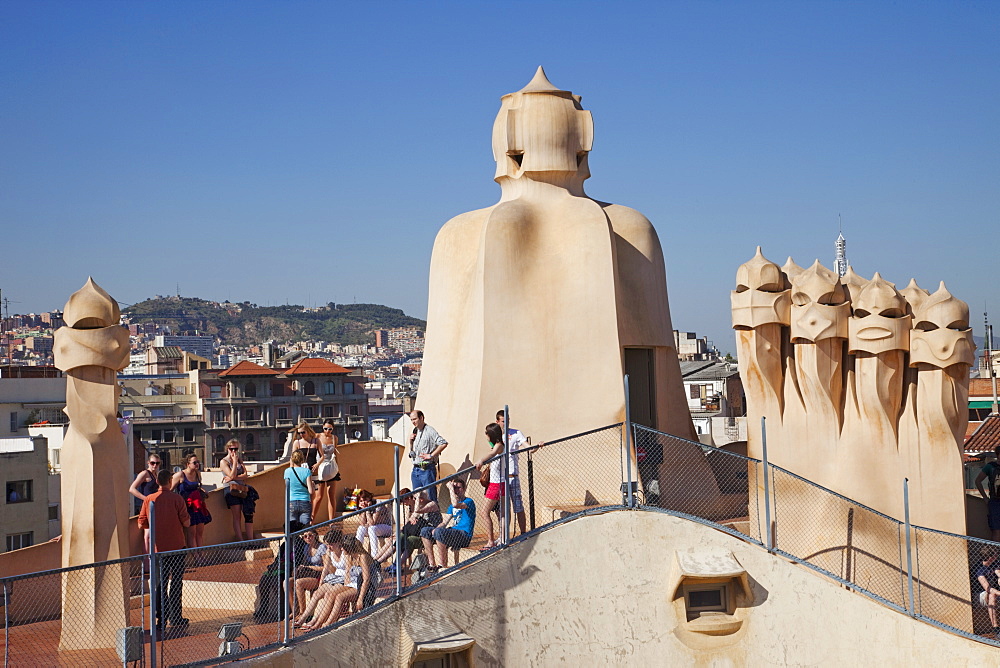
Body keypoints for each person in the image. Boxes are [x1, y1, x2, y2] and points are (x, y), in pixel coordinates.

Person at [138, 468, 191, 631]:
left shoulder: (149, 499)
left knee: (159, 584)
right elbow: (187, 522)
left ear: (157, 482)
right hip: (176, 547)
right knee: (176, 583)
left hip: (157, 549)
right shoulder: (177, 499)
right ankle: (176, 617)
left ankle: (161, 619)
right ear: (170, 482)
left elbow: (141, 522)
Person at [300, 536, 379, 630]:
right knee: (331, 594)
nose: (341, 549)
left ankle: (328, 624)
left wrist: (360, 599)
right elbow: (348, 576)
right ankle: (318, 623)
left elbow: (366, 580)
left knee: (339, 597)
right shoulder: (350, 556)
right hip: (354, 582)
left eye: (343, 547)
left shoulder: (363, 557)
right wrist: (344, 588)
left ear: (349, 548)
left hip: (365, 585)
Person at [374, 490, 442, 574]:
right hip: (419, 532)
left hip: (429, 535)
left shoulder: (432, 504)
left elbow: (417, 511)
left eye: (415, 498)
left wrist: (416, 501)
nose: (414, 500)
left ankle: (395, 565)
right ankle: (378, 561)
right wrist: (412, 519)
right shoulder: (415, 507)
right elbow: (409, 521)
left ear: (420, 499)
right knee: (400, 537)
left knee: (409, 540)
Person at [294, 529, 349, 629]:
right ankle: (303, 619)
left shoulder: (345, 552)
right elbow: (326, 568)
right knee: (316, 594)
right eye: (327, 544)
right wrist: (321, 584)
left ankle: (316, 622)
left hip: (344, 578)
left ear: (338, 543)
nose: (328, 547)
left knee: (328, 594)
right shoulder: (329, 551)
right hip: (333, 578)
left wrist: (346, 585)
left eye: (330, 544)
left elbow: (349, 571)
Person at [420, 478, 476, 572]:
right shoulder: (451, 507)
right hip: (453, 532)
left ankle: (442, 565)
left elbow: (456, 505)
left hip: (464, 535)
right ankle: (432, 564)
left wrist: (450, 489)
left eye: (458, 488)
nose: (456, 490)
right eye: (454, 488)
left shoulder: (469, 501)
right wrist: (435, 530)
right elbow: (444, 522)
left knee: (439, 532)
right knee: (425, 531)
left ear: (464, 488)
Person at [474, 423, 506, 550]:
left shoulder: (499, 446)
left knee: (484, 512)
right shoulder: (497, 445)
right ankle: (502, 537)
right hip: (499, 483)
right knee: (500, 512)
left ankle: (490, 540)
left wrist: (481, 461)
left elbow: (492, 454)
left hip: (496, 484)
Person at [497, 410, 529, 537]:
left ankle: (523, 533)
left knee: (518, 506)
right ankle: (504, 536)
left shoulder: (516, 433)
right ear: (498, 421)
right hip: (499, 477)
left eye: (508, 420)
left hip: (512, 476)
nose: (506, 423)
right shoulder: (496, 435)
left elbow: (527, 447)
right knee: (503, 510)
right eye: (503, 421)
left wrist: (536, 446)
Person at [221, 439, 259, 541]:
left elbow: (245, 475)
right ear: (227, 449)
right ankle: (240, 540)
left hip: (242, 489)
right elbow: (231, 474)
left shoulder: (240, 460)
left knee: (247, 514)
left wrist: (234, 477)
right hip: (231, 490)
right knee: (237, 516)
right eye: (231, 449)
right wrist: (233, 465)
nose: (233, 451)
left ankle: (250, 539)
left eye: (236, 449)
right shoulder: (224, 461)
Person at [171, 453, 211, 548]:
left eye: (198, 462)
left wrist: (202, 490)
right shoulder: (180, 475)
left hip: (198, 506)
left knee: (199, 533)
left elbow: (197, 487)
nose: (197, 464)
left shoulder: (197, 474)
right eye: (194, 462)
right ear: (188, 464)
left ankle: (201, 556)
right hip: (187, 507)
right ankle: (196, 557)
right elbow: (169, 489)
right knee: (191, 533)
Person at [408, 410, 448, 502]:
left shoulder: (429, 430)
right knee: (417, 498)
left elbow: (443, 443)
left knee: (430, 497)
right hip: (415, 469)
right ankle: (422, 516)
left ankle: (434, 516)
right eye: (411, 420)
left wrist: (431, 455)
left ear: (421, 418)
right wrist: (411, 442)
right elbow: (413, 451)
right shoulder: (415, 431)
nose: (413, 422)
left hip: (427, 469)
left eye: (415, 419)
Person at [129, 454, 163, 552]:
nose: (155, 465)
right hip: (148, 507)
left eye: (157, 463)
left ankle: (154, 561)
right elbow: (132, 489)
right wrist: (146, 499)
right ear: (148, 463)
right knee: (147, 535)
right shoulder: (144, 473)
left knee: (156, 535)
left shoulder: (157, 475)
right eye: (152, 463)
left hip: (157, 507)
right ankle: (147, 563)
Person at [291, 528, 327, 616]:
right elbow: (304, 563)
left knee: (299, 583)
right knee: (287, 582)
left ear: (315, 536)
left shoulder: (322, 547)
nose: (308, 538)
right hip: (310, 574)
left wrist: (310, 567)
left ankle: (302, 613)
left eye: (310, 535)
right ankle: (294, 610)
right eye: (305, 536)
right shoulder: (306, 547)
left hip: (319, 575)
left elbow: (326, 567)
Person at [311, 419, 341, 521]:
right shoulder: (317, 436)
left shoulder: (334, 438)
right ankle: (311, 521)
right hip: (320, 468)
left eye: (330, 429)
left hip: (331, 467)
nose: (327, 431)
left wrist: (337, 467)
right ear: (322, 427)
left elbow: (335, 454)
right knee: (319, 496)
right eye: (325, 428)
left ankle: (331, 522)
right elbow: (312, 451)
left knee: (331, 495)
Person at [354, 490, 393, 558]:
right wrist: (363, 510)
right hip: (373, 529)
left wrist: (367, 510)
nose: (363, 502)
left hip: (386, 528)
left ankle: (374, 556)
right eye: (361, 501)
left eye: (365, 500)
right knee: (361, 528)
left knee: (371, 528)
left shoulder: (378, 503)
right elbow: (362, 523)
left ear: (369, 498)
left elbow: (372, 523)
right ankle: (357, 552)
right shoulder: (362, 506)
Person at [284, 449, 316, 528]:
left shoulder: (287, 471)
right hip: (305, 501)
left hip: (291, 502)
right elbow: (311, 491)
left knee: (292, 528)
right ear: (302, 460)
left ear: (292, 459)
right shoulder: (307, 471)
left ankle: (293, 541)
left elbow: (287, 486)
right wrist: (313, 485)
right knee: (305, 529)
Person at [975, 446, 1000, 542]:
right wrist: (985, 498)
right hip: (995, 502)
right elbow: (978, 481)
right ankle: (995, 555)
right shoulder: (990, 466)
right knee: (996, 530)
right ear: (998, 455)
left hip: (994, 503)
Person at [975, 551, 1000, 634]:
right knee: (992, 595)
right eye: (994, 555)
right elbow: (988, 589)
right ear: (989, 557)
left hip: (996, 592)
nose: (996, 556)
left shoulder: (995, 564)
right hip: (979, 595)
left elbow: (998, 572)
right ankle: (996, 629)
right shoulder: (978, 568)